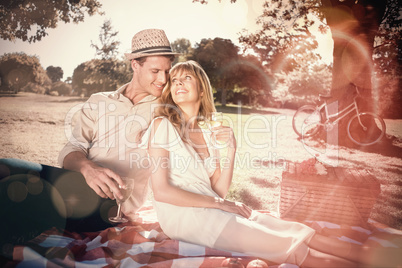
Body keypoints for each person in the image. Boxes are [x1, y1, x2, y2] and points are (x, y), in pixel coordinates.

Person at [139, 60, 393, 267]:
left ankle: (389, 258)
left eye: (187, 78)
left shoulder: (207, 134)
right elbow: (162, 192)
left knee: (298, 232)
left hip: (212, 209)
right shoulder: (163, 126)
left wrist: (231, 149)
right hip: (186, 220)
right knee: (292, 248)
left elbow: (217, 191)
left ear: (202, 89)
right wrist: (221, 204)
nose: (178, 83)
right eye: (174, 80)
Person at [0, 29, 178, 261]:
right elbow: (72, 150)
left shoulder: (168, 107)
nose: (163, 79)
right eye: (155, 71)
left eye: (166, 71)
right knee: (3, 166)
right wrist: (87, 168)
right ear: (135, 64)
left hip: (111, 206)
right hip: (73, 183)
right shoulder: (99, 101)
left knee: (21, 189)